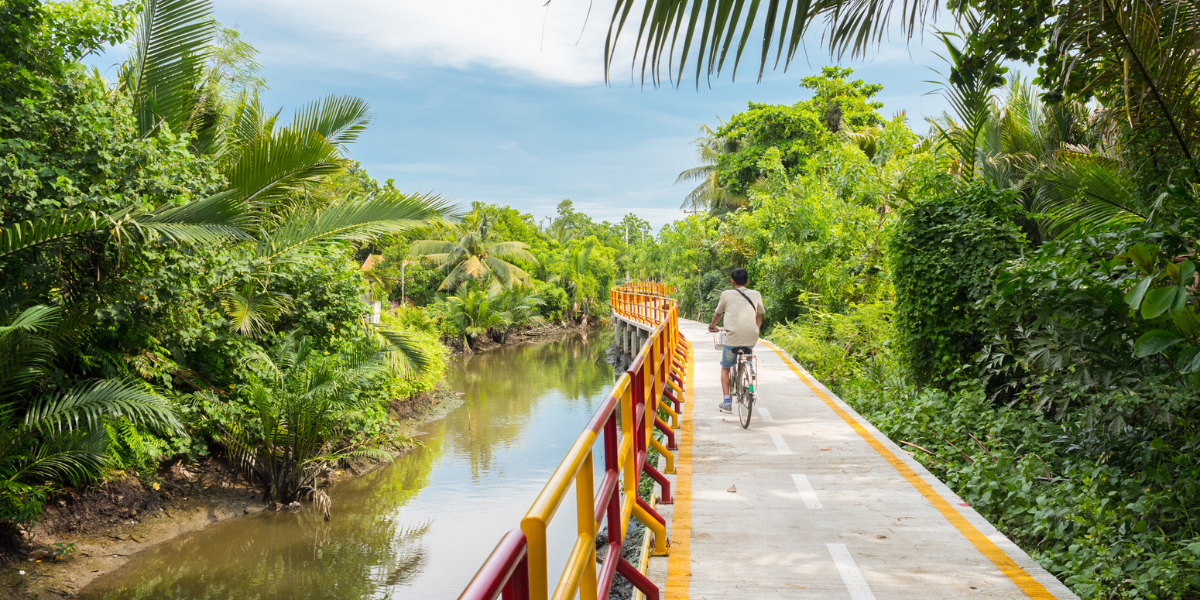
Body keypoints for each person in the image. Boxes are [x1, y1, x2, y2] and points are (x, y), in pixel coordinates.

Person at [707, 268, 765, 412]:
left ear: (732, 281)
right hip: (752, 336)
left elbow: (717, 314)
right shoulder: (756, 294)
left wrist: (712, 326)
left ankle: (727, 402)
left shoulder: (726, 294)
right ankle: (749, 366)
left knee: (725, 368)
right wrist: (756, 329)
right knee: (748, 348)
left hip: (732, 339)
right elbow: (759, 316)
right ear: (747, 281)